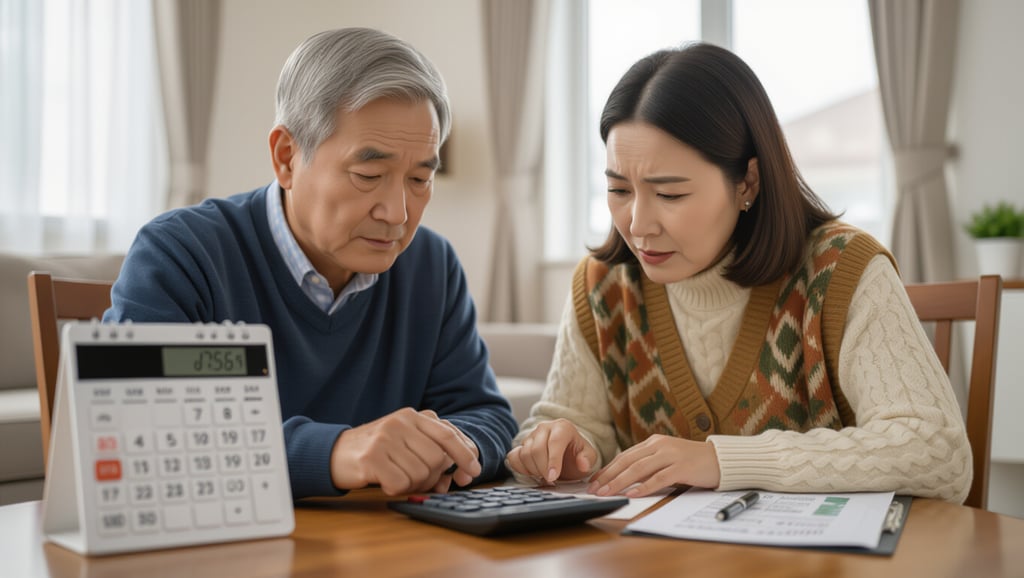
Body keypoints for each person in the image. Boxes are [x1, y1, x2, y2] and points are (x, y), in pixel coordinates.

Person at [506, 43, 971, 503]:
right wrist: (561, 450)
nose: (637, 224)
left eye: (669, 195)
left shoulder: (840, 271)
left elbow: (938, 452)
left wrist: (722, 461)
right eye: (618, 189)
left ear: (746, 181)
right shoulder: (604, 285)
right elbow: (566, 421)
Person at [104, 28, 517, 499]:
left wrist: (451, 447)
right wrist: (336, 452)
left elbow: (486, 416)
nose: (398, 213)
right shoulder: (183, 253)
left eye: (420, 178)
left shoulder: (431, 265)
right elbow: (139, 430)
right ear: (286, 157)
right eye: (369, 175)